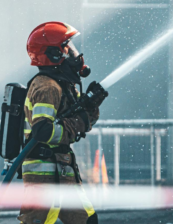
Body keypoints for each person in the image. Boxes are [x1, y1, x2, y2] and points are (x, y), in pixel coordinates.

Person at [17, 21, 108, 224]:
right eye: (66, 47)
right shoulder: (46, 87)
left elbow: (83, 122)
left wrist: (91, 106)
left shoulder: (62, 85)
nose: (73, 54)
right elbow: (43, 131)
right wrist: (79, 120)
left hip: (62, 171)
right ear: (53, 54)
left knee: (87, 220)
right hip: (44, 177)